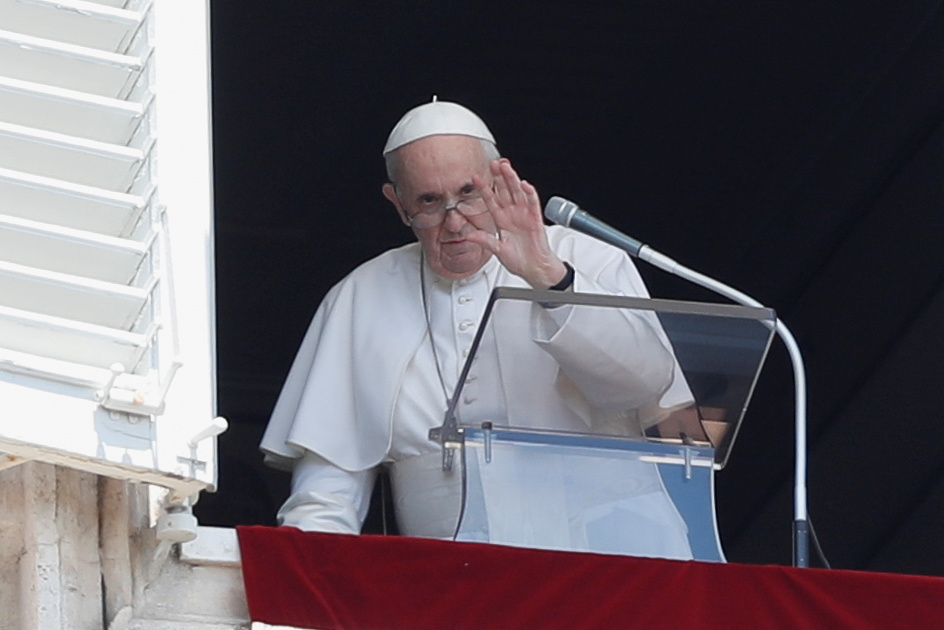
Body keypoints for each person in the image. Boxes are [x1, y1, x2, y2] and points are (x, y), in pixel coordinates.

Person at [260, 99, 692, 543]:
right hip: (450, 582)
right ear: (398, 203)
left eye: (469, 194)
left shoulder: (585, 260)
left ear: (500, 178)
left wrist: (551, 279)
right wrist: (309, 568)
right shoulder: (361, 296)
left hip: (607, 561)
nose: (455, 222)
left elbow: (646, 384)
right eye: (429, 202)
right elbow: (327, 492)